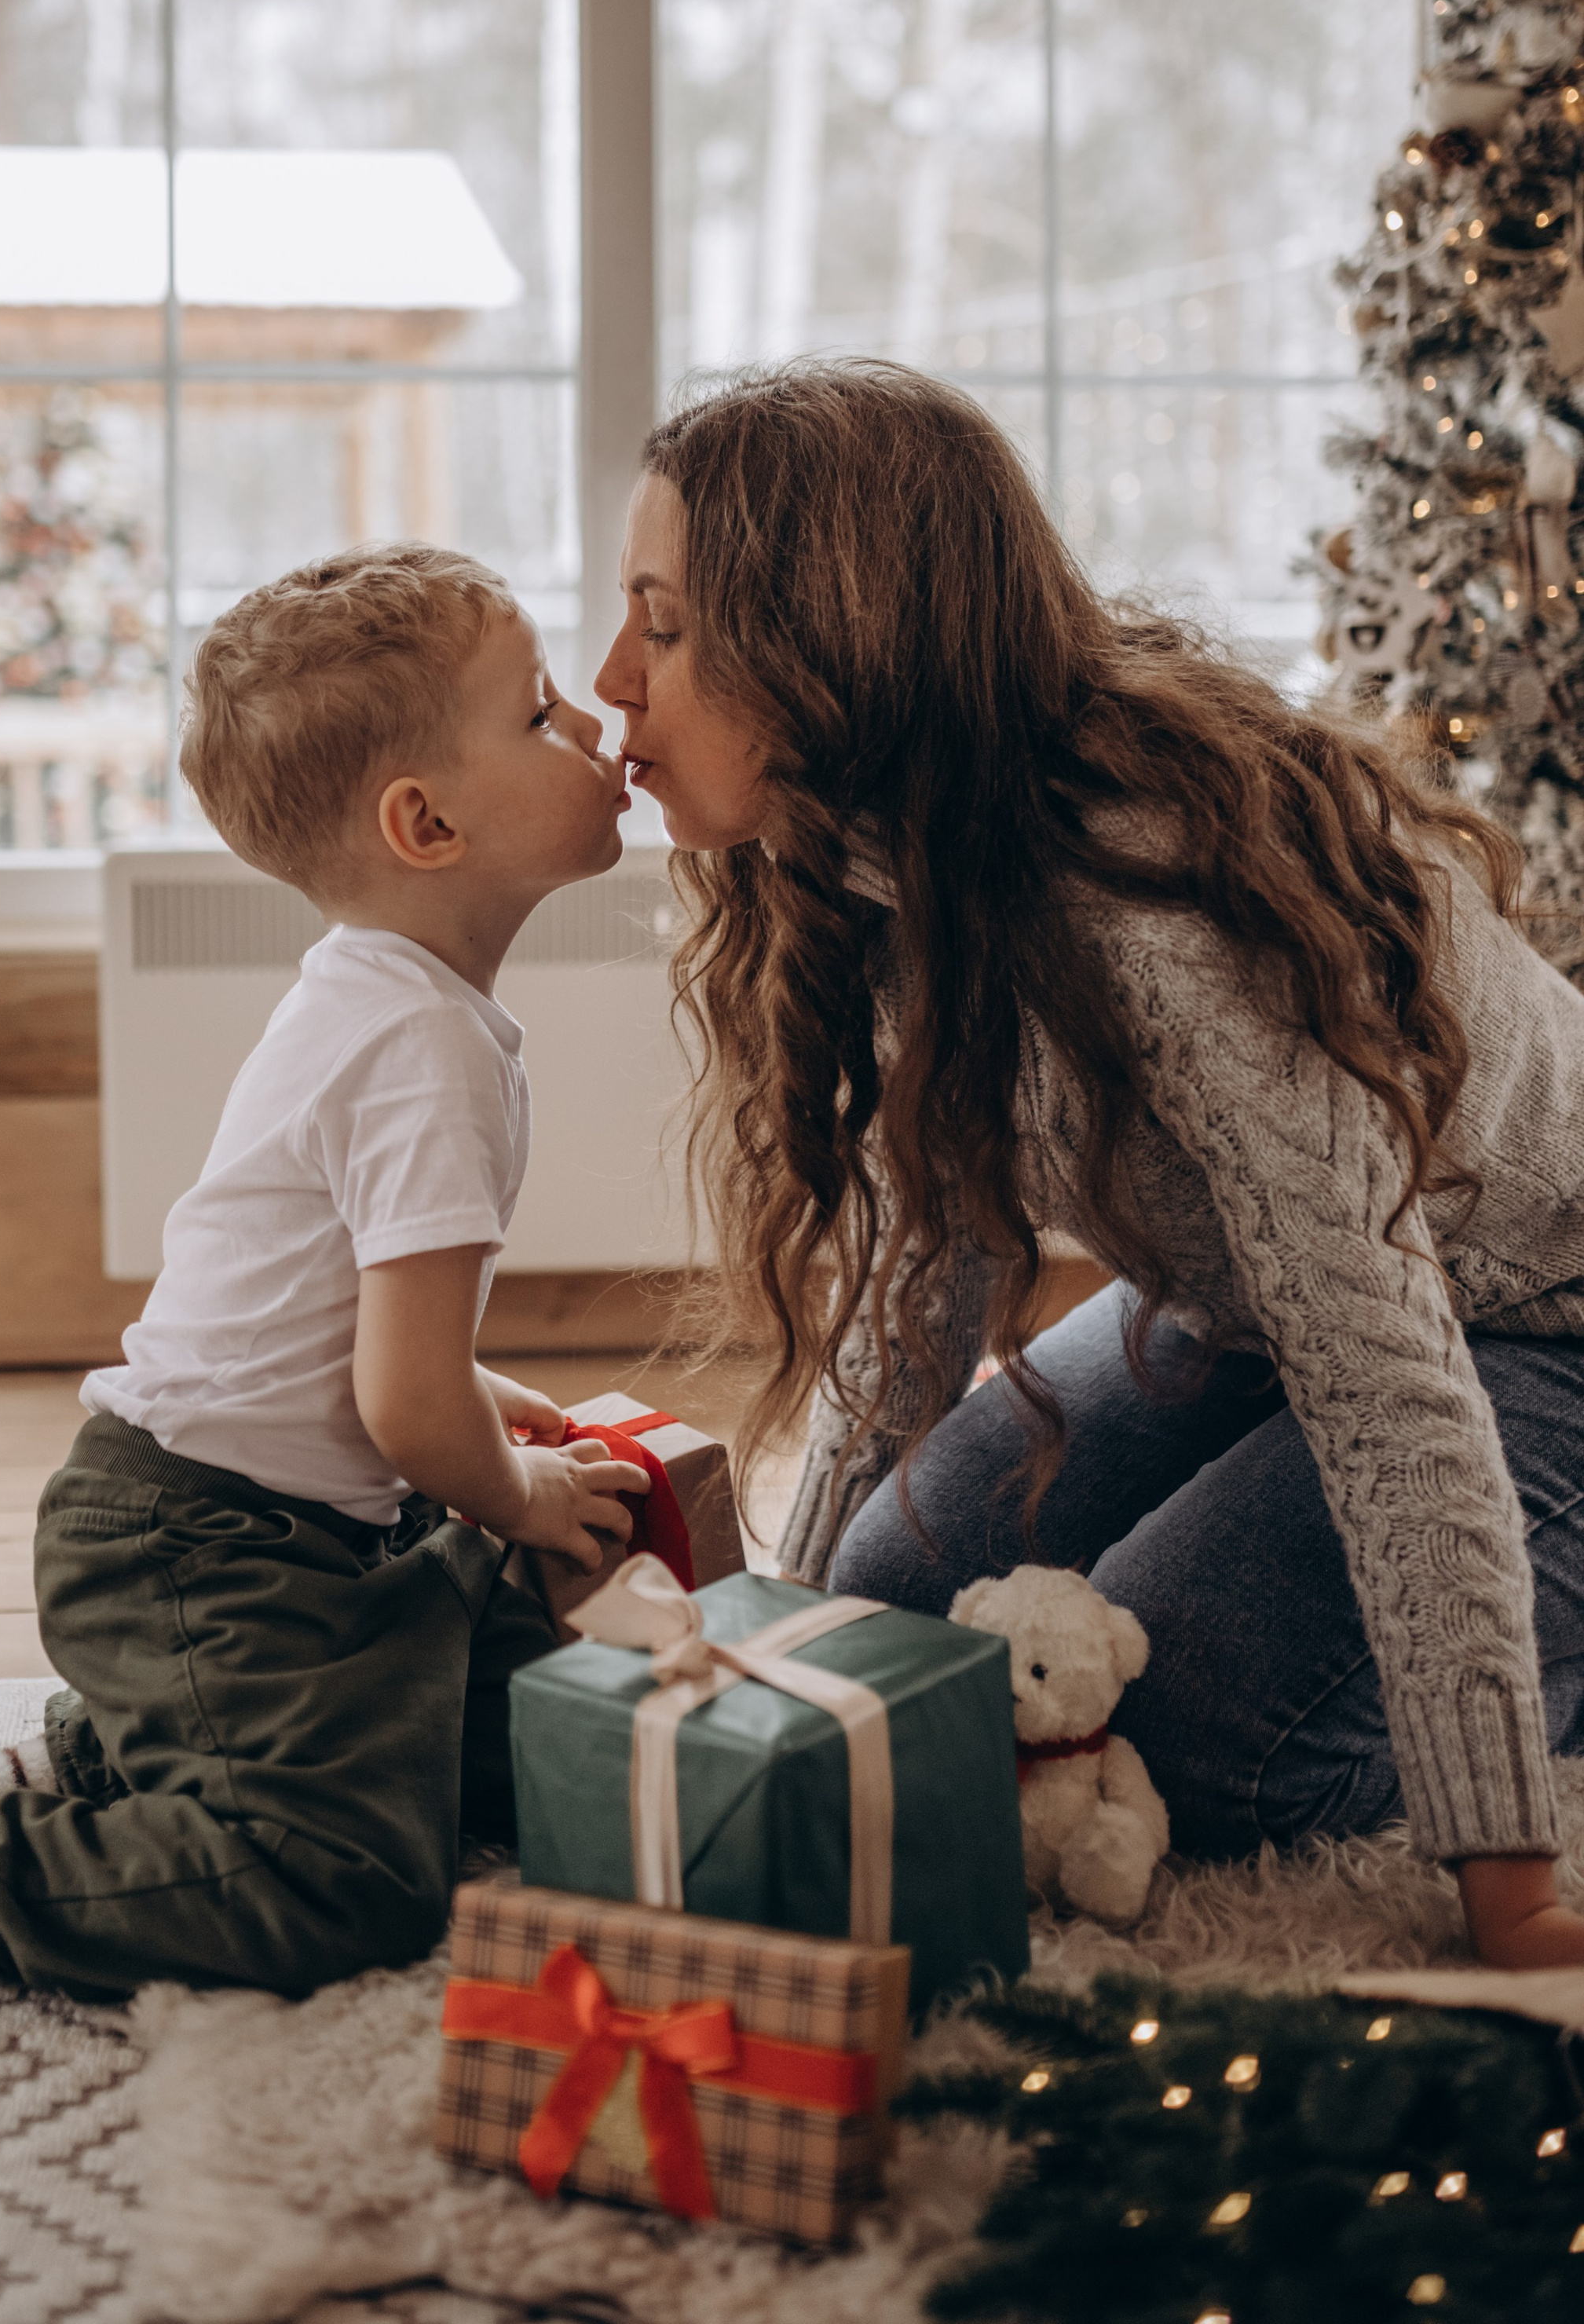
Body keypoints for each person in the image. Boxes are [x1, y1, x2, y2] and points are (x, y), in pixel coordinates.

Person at [594, 358, 1584, 1972]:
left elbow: (1384, 1381)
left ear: (828, 639)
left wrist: (1509, 1885)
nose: (611, 680)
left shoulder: (1150, 909)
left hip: (1535, 1328)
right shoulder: (879, 851)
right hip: (1255, 1314)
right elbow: (935, 1266)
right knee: (894, 1599)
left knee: (1185, 1722)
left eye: (664, 621)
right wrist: (777, 1646)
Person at [0, 545, 645, 2018]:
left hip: (281, 1518)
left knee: (513, 1743)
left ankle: (127, 1741)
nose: (597, 729)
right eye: (544, 712)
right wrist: (514, 1490)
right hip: (202, 1542)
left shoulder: (394, 999)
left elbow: (348, 1337)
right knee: (345, 1880)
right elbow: (403, 1402)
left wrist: (491, 1413)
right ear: (425, 822)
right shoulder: (423, 1048)